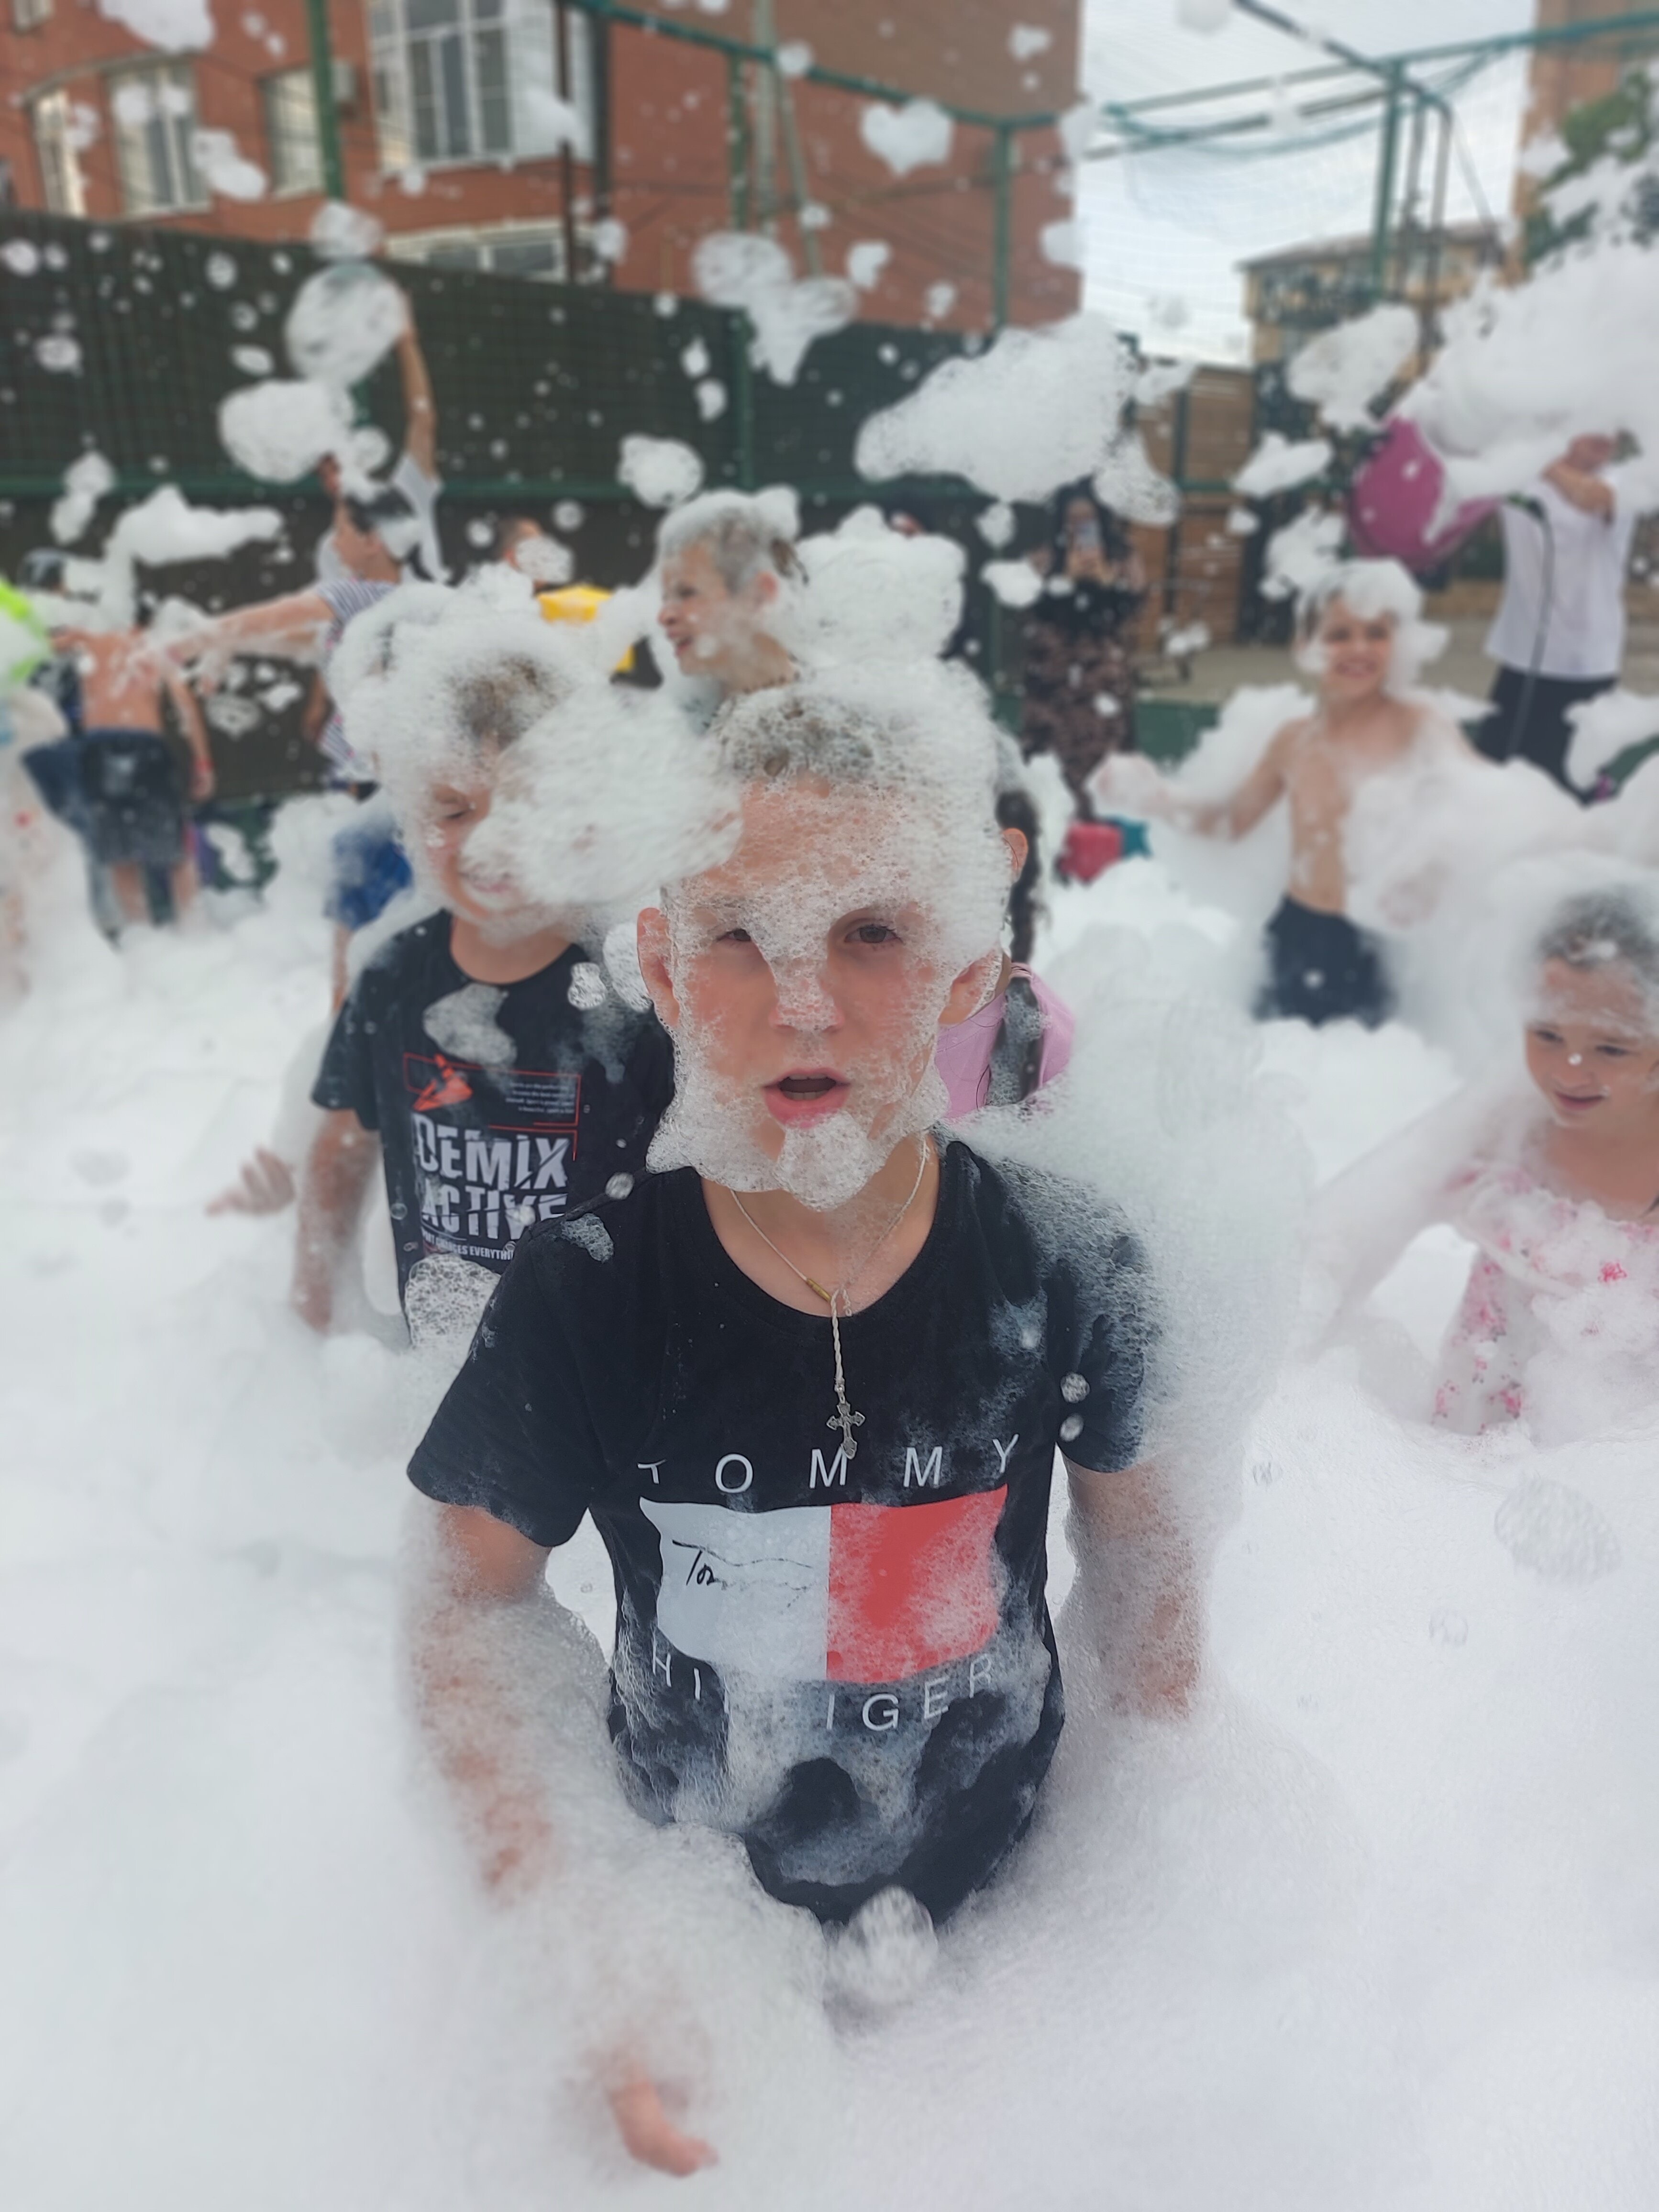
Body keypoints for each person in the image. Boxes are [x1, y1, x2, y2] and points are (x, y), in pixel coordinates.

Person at [403, 674, 1192, 2175]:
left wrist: (1155, 1858)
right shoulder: (587, 1291)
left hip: (1015, 1930)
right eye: (740, 937)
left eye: (871, 930)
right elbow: (465, 1611)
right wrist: (594, 1944)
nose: (805, 998)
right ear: (661, 964)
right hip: (699, 1928)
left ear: (969, 965)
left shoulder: (1069, 1263)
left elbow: (1149, 1586)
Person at [292, 642, 675, 1337]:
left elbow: (702, 1186)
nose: (489, 841)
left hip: (595, 1363)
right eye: (453, 810)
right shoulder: (393, 976)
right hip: (442, 1360)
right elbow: (342, 1149)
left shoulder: (634, 990)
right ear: (415, 817)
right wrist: (313, 1306)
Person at [1310, 880, 1659, 1440]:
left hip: (1614, 1447)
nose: (1569, 1069)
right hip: (1479, 1416)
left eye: (1612, 1046)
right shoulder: (1511, 1125)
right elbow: (1369, 1213)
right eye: (1547, 1033)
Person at [1099, 563, 1472, 1029]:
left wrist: (1428, 880)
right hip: (1298, 931)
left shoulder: (1419, 729)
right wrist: (1158, 800)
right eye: (1340, 634)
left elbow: (1477, 815)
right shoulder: (1295, 740)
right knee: (1279, 1053)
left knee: (1362, 1065)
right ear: (1307, 646)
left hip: (1374, 942)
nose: (1359, 648)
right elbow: (1231, 822)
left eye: (1375, 633)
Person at [22, 603, 215, 931]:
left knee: (120, 853)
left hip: (98, 748)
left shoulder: (89, 640)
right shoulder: (153, 646)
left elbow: (37, 647)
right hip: (145, 745)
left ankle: (139, 933)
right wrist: (203, 762)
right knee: (175, 850)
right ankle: (194, 928)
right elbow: (185, 704)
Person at [1478, 435, 1641, 797]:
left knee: (1569, 788)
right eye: (1593, 425)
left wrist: (1536, 458)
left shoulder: (1622, 480)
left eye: (1611, 428)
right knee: (1493, 780)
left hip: (1587, 665)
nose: (1604, 437)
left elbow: (1594, 500)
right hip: (1522, 658)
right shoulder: (1523, 480)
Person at [1019, 481, 1146, 815]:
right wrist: (1063, 582)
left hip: (1101, 673)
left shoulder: (1121, 557)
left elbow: (1131, 611)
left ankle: (1101, 819)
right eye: (1073, 520)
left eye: (1087, 519)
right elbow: (1035, 613)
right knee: (1052, 751)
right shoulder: (1046, 557)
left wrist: (1106, 585)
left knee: (1104, 749)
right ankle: (1056, 818)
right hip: (1055, 674)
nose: (1080, 528)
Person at [315, 296, 446, 587]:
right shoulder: (332, 548)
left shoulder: (407, 491)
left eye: (337, 467)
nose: (333, 480)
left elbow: (423, 419)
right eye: (324, 475)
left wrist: (406, 343)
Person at [655, 490, 799, 708]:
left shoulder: (822, 718)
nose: (663, 616)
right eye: (665, 598)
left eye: (687, 593)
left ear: (759, 597)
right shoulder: (688, 713)